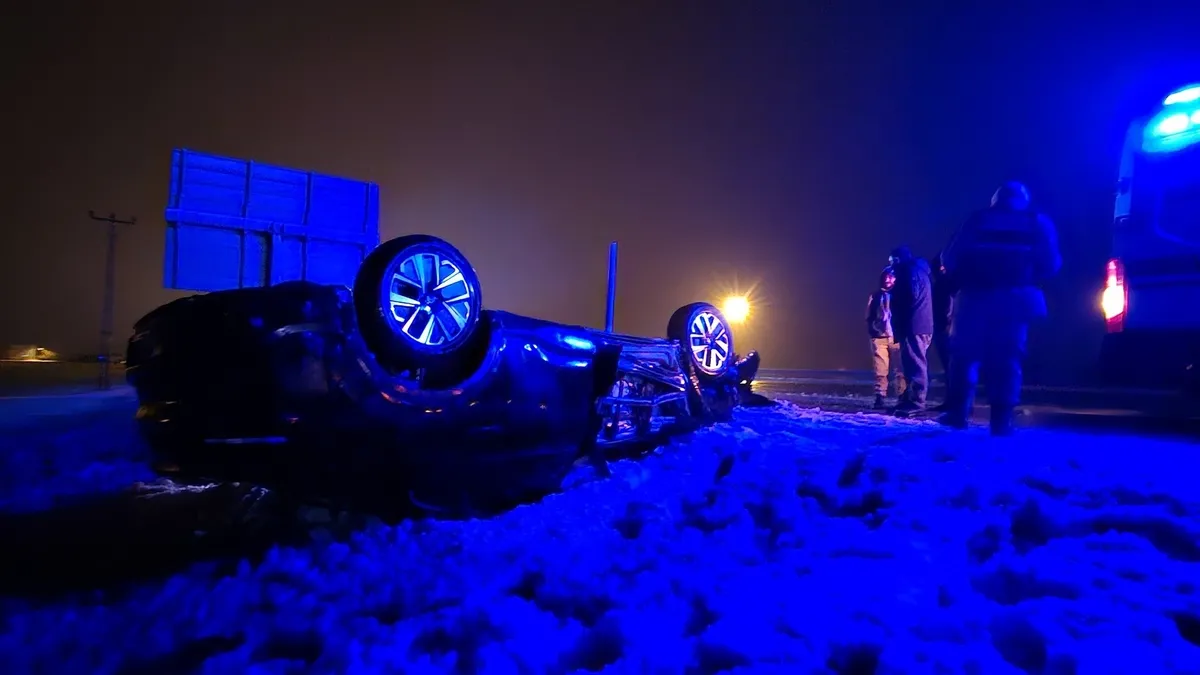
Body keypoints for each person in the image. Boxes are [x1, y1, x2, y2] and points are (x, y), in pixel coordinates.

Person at [939, 181, 1062, 435]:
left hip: (975, 299)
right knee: (1007, 359)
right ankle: (1001, 421)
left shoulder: (978, 220)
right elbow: (1051, 265)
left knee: (964, 357)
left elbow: (949, 258)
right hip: (1015, 301)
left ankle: (958, 414)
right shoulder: (1036, 222)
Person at [887, 246, 934, 414]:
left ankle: (917, 401)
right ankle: (909, 398)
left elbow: (909, 297)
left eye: (892, 261)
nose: (891, 265)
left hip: (914, 326)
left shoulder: (908, 272)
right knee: (911, 364)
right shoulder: (917, 271)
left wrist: (895, 293)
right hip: (918, 325)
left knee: (915, 364)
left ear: (899, 259)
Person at [866, 267, 905, 409]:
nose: (888, 280)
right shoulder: (876, 296)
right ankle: (880, 396)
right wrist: (874, 332)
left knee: (900, 369)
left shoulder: (900, 295)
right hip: (880, 337)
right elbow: (869, 316)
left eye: (891, 277)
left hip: (896, 336)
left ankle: (902, 396)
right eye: (886, 277)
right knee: (880, 369)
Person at [929, 251, 956, 410]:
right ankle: (952, 401)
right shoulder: (945, 281)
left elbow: (947, 304)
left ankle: (953, 402)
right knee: (949, 366)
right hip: (943, 326)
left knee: (950, 366)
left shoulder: (943, 282)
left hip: (944, 328)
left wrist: (946, 323)